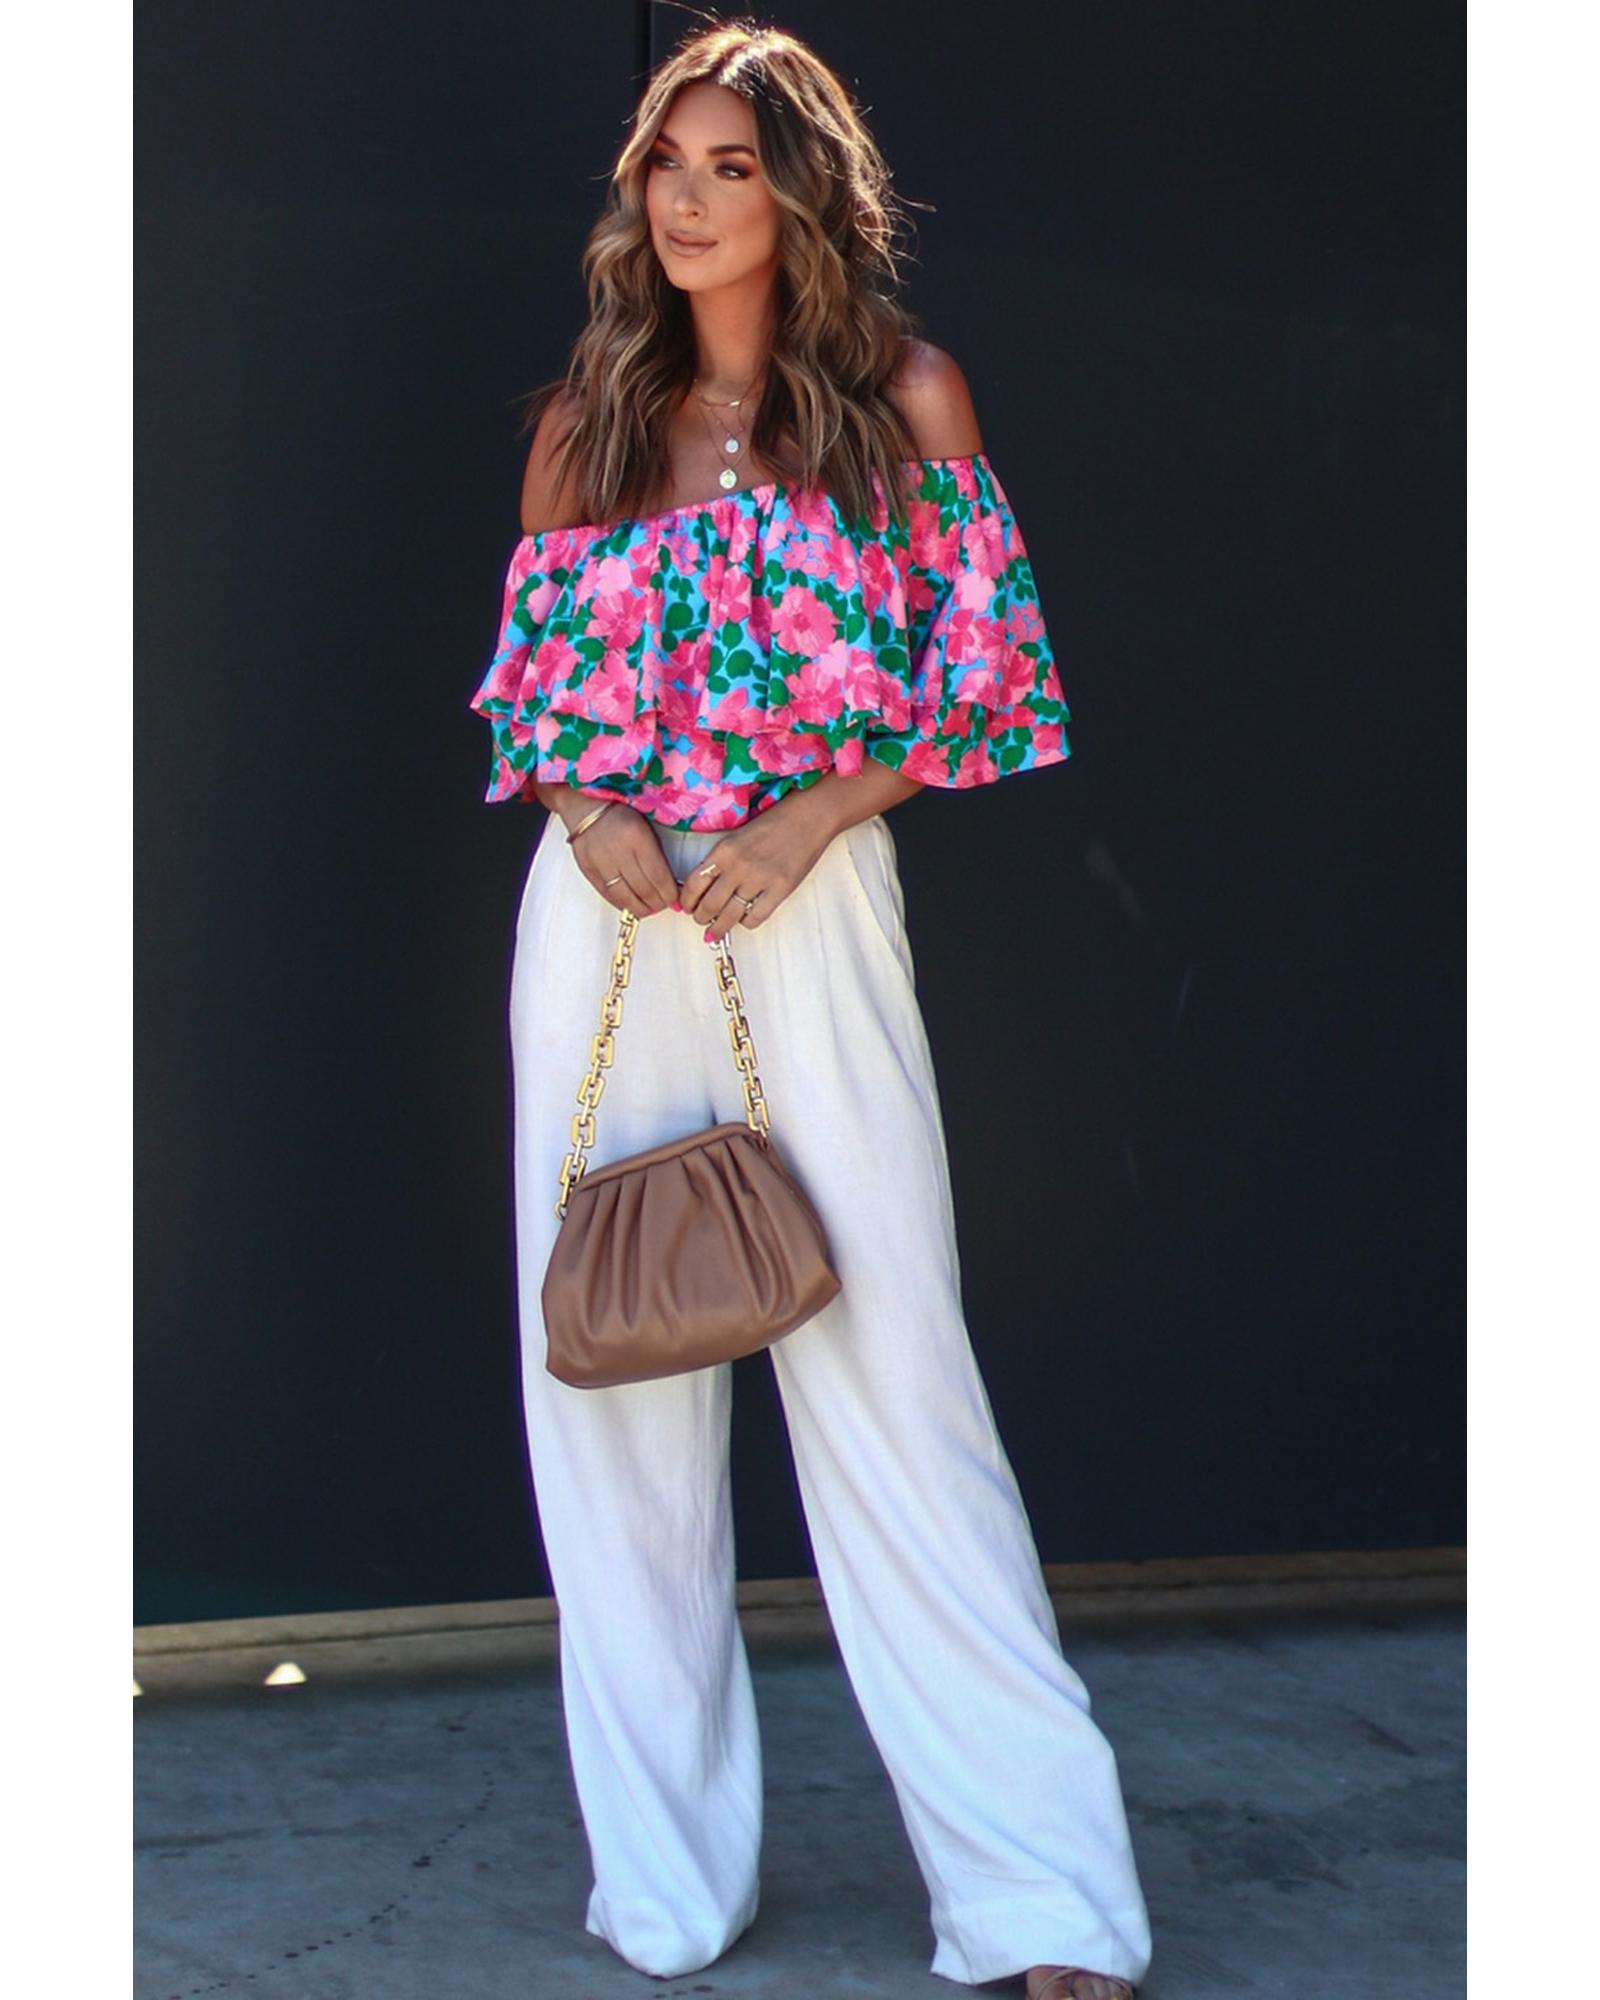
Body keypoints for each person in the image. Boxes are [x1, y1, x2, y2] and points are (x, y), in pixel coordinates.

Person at [468, 22, 1153, 2000]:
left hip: (807, 907)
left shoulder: (902, 401)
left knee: (894, 1381)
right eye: (664, 164)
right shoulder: (588, 424)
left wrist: (813, 814)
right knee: (610, 1396)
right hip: (606, 927)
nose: (685, 200)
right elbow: (529, 701)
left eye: (731, 167)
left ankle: (1040, 1900)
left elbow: (990, 683)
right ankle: (667, 1891)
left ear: (803, 197)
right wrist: (590, 809)